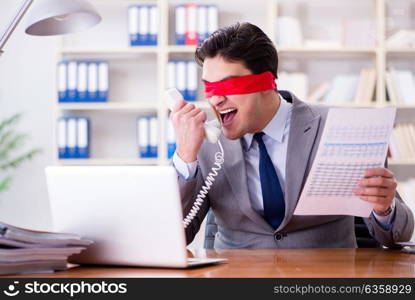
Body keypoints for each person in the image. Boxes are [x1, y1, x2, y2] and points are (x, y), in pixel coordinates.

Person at [170, 22, 414, 249]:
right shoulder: (205, 142)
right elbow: (174, 236)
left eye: (227, 86)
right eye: (209, 87)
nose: (214, 99)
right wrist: (185, 156)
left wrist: (384, 207)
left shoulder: (339, 128)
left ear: (267, 83)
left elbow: (396, 236)